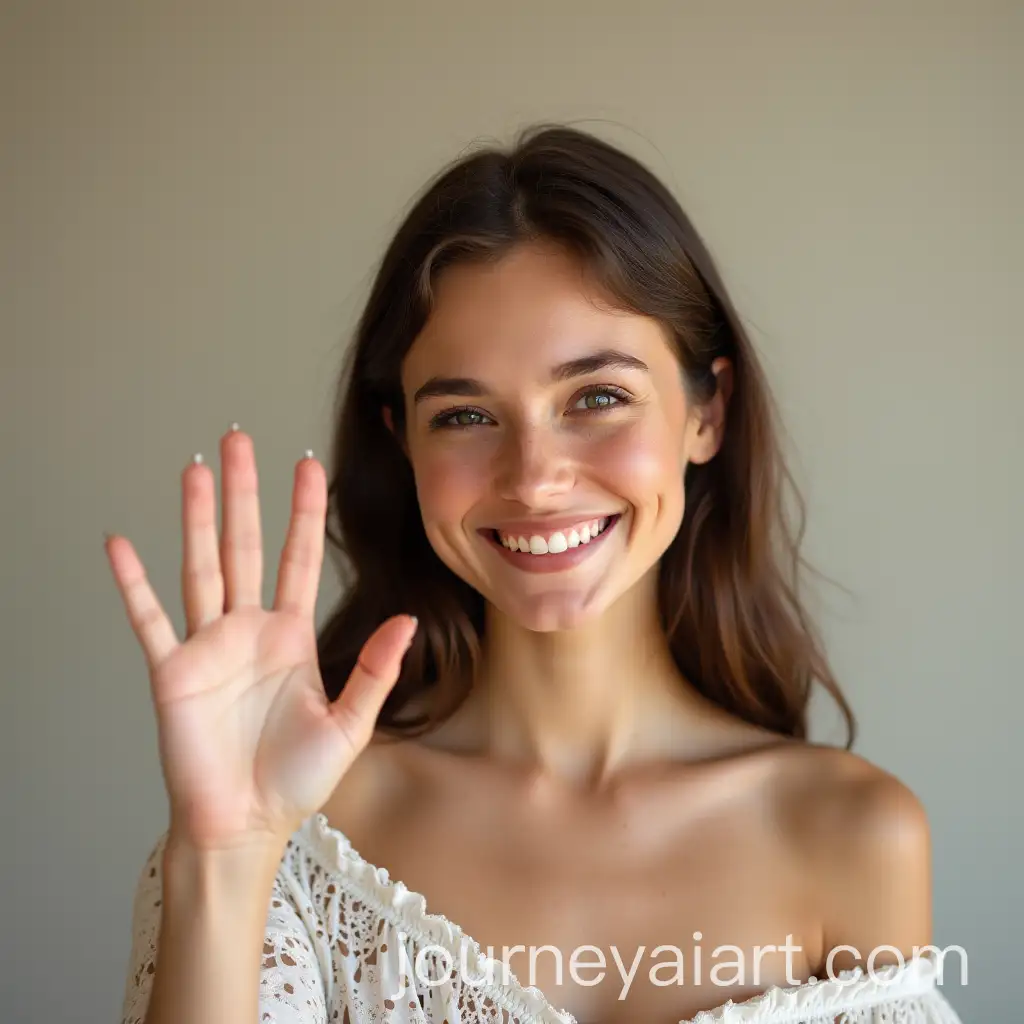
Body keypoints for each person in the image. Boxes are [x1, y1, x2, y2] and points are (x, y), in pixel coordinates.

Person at [110, 124, 963, 1024]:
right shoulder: (296, 823)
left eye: (596, 398)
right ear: (403, 444)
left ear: (707, 415)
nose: (534, 477)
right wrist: (225, 854)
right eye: (466, 416)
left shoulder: (855, 834)